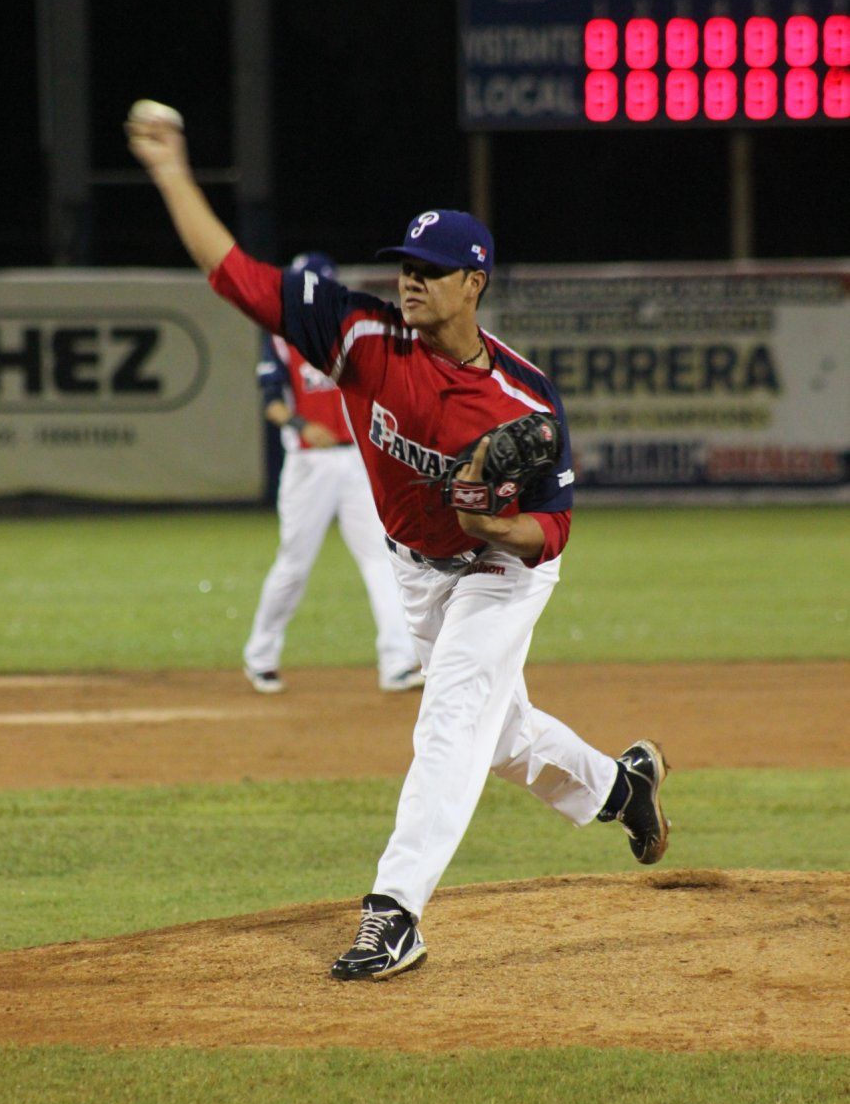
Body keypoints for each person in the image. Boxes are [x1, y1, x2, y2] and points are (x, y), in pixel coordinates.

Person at [127, 106, 670, 982]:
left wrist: (495, 526)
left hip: (500, 569)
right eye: (406, 266)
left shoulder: (526, 401)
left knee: (451, 716)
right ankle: (619, 787)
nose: (410, 281)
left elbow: (554, 526)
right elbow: (236, 277)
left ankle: (395, 912)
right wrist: (169, 172)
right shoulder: (361, 336)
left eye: (431, 270)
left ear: (474, 283)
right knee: (501, 735)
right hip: (414, 568)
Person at [244, 251, 424, 696]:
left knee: (382, 558)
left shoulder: (353, 334)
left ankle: (398, 662)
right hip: (310, 465)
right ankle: (260, 657)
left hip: (359, 463)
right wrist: (301, 425)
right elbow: (271, 403)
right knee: (294, 563)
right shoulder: (281, 337)